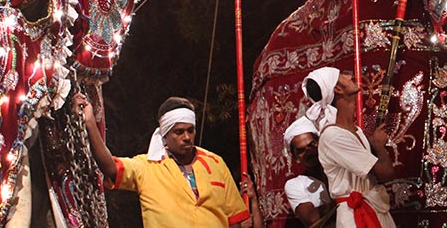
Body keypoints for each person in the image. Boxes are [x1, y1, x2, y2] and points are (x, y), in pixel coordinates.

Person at [79, 94, 252, 228]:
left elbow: (234, 218)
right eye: (179, 132)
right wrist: (90, 123)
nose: (186, 137)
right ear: (165, 136)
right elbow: (110, 168)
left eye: (190, 130)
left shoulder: (216, 163)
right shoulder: (147, 167)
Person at [305, 67, 400, 228]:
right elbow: (386, 174)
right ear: (338, 89)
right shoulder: (333, 136)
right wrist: (380, 148)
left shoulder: (356, 131)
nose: (350, 77)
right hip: (356, 217)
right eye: (343, 75)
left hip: (373, 208)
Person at [283, 117, 333, 228]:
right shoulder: (295, 185)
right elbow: (313, 220)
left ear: (320, 143)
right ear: (295, 157)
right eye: (301, 150)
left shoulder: (340, 170)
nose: (309, 152)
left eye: (311, 145)